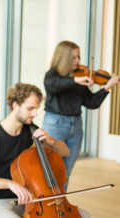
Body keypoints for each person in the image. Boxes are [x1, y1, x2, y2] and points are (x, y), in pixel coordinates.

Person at [0, 82, 91, 218]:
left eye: (37, 108)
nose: (35, 113)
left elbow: (65, 152)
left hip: (33, 200)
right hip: (0, 201)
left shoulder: (32, 131)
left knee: (84, 216)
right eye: (30, 108)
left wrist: (51, 141)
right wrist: (10, 184)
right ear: (15, 105)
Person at [42, 41, 119, 191]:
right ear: (64, 58)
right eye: (74, 58)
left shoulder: (81, 77)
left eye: (78, 57)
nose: (78, 61)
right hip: (55, 124)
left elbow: (91, 103)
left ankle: (61, 206)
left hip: (76, 127)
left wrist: (106, 88)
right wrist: (76, 80)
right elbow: (52, 85)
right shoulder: (53, 75)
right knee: (49, 168)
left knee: (66, 171)